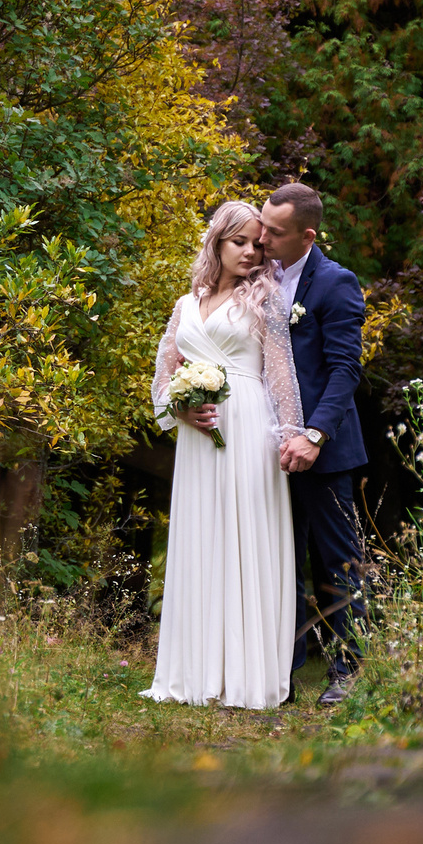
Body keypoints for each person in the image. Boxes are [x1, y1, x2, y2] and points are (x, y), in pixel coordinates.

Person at [144, 201, 307, 710]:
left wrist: (292, 435)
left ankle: (245, 673)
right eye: (240, 242)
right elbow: (165, 376)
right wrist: (181, 409)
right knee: (201, 539)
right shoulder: (185, 304)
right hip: (199, 434)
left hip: (249, 427)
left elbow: (281, 374)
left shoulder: (265, 300)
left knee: (245, 538)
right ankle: (193, 672)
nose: (251, 252)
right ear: (216, 242)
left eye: (258, 244)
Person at [256, 183, 370, 705]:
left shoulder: (335, 283)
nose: (262, 237)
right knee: (277, 558)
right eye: (262, 225)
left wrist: (315, 434)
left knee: (335, 560)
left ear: (307, 235)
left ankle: (348, 670)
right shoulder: (258, 276)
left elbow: (346, 370)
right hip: (266, 447)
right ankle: (281, 673)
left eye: (275, 232)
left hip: (322, 452)